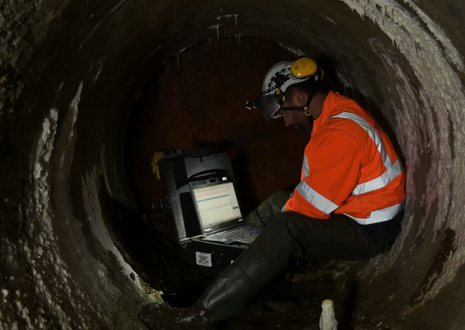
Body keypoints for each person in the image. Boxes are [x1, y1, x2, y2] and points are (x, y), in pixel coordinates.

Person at [138, 57, 406, 329]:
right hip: (359, 213)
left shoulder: (341, 133)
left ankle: (200, 316)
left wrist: (272, 233)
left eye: (285, 112)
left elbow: (310, 209)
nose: (287, 122)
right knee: (280, 201)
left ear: (299, 96)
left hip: (369, 231)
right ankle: (238, 271)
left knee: (287, 228)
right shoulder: (338, 111)